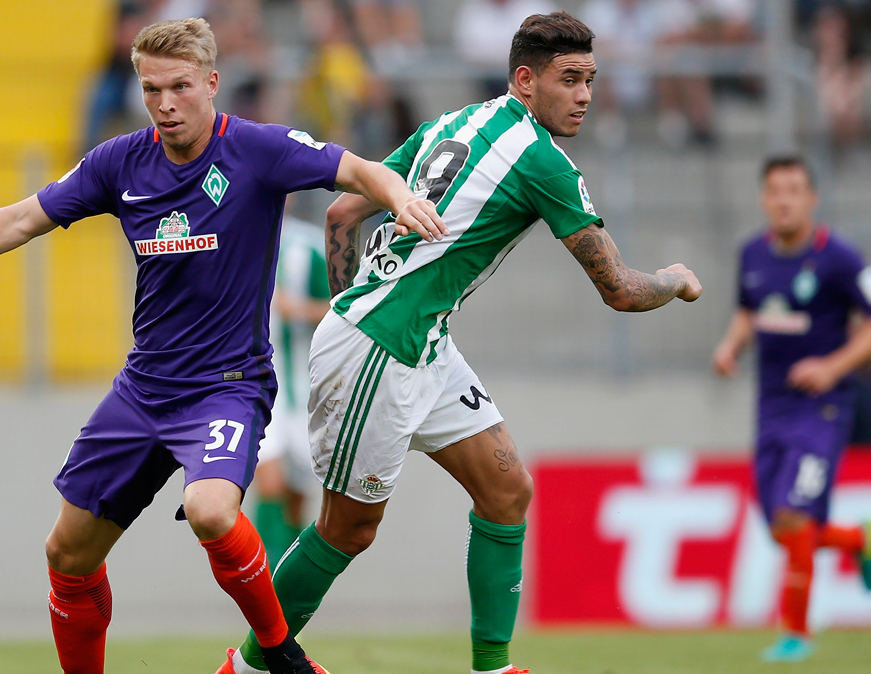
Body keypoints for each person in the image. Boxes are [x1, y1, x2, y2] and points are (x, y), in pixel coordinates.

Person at [0, 18, 447, 674]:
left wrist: (399, 197)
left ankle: (280, 655)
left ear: (210, 83)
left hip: (228, 384)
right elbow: (23, 218)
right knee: (67, 555)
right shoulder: (120, 163)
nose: (165, 103)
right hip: (144, 389)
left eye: (178, 87)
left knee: (209, 509)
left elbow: (358, 169)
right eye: (151, 90)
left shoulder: (256, 151)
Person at [219, 13, 703, 674]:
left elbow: (341, 212)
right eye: (569, 79)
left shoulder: (452, 124)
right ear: (525, 80)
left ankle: (492, 668)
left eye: (590, 79)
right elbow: (618, 288)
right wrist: (672, 281)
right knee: (346, 530)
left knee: (507, 491)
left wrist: (346, 305)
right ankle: (245, 667)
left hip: (422, 343)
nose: (584, 95)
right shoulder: (539, 160)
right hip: (381, 347)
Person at [712, 155, 871, 662]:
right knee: (782, 527)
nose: (784, 200)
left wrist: (832, 367)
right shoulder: (753, 253)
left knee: (793, 514)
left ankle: (797, 634)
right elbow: (748, 311)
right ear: (764, 198)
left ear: (811, 199)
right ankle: (854, 540)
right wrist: (730, 346)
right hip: (771, 406)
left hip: (822, 407)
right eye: (775, 190)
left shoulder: (841, 259)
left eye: (794, 190)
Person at [254, 214, 332, 567]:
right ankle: (262, 580)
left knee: (297, 496)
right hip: (253, 388)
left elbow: (343, 309)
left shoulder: (310, 246)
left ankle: (285, 575)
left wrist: (297, 309)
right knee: (268, 484)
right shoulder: (233, 237)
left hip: (302, 394)